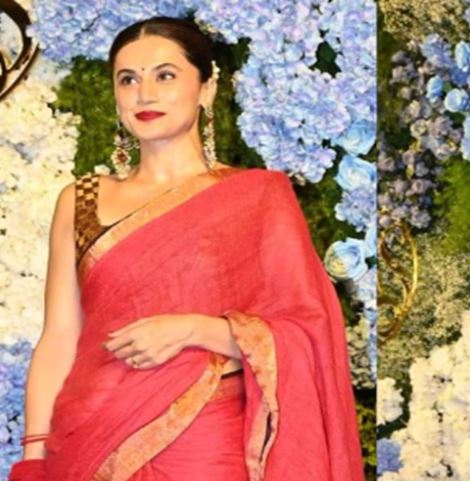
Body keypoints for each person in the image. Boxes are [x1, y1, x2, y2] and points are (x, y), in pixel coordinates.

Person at [9, 16, 364, 481]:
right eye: (128, 79)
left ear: (207, 89)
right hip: (88, 441)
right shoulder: (82, 200)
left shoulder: (257, 197)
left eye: (165, 75)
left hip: (206, 445)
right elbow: (59, 336)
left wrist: (195, 329)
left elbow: (304, 335)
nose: (144, 94)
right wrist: (34, 459)